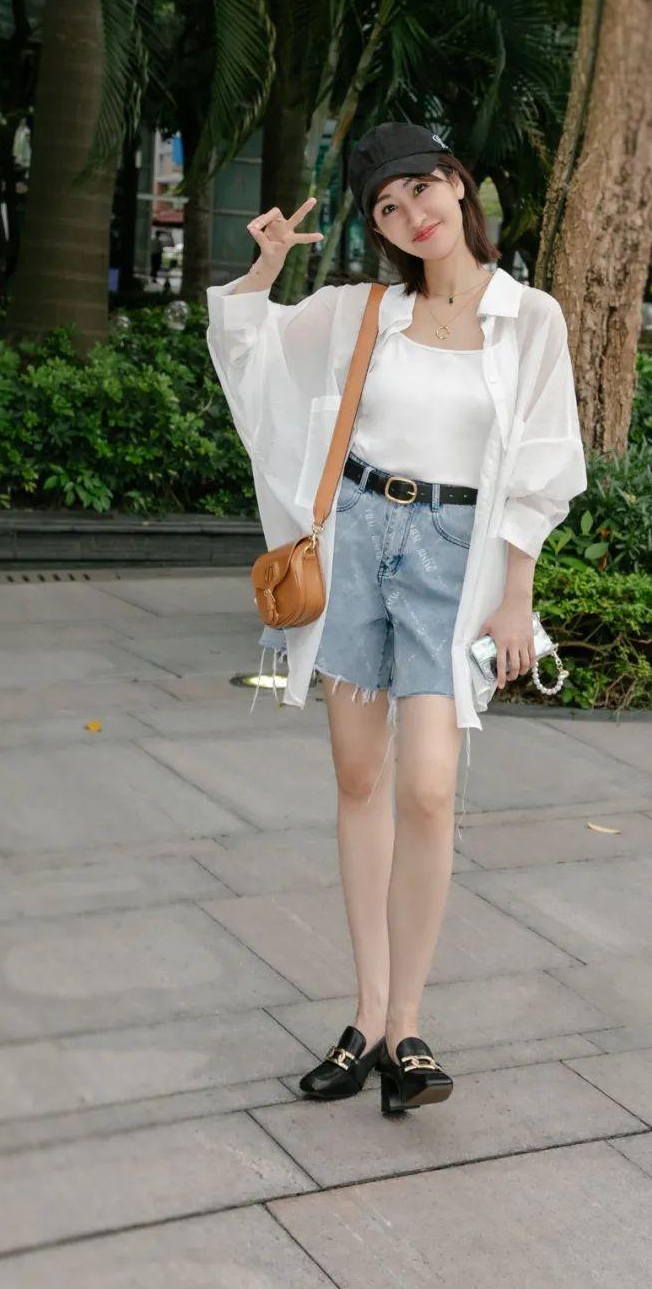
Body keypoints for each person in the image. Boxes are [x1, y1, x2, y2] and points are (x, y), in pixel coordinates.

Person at [205, 122, 587, 1115]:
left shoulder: (528, 318)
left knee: (427, 787)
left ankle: (411, 1022)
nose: (411, 213)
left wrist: (518, 593)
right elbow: (249, 353)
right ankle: (371, 1018)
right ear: (377, 228)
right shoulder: (364, 311)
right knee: (360, 778)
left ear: (459, 186)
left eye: (422, 188)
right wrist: (265, 268)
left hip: (454, 562)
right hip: (359, 544)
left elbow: (544, 463)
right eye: (387, 206)